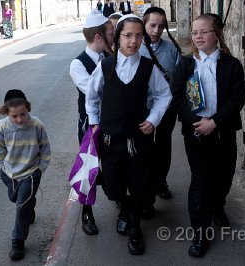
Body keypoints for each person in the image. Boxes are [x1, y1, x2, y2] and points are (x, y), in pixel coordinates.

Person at [82, 14, 171, 255]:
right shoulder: (106, 66)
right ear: (118, 37)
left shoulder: (148, 68)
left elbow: (164, 95)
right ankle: (124, 208)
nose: (133, 41)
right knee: (112, 186)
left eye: (138, 36)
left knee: (139, 184)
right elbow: (92, 97)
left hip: (138, 140)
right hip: (111, 140)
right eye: (127, 35)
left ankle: (134, 227)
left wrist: (153, 119)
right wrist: (95, 123)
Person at [171, 13, 244, 257]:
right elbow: (178, 99)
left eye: (204, 31)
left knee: (224, 176)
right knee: (201, 180)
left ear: (217, 34)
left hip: (222, 131)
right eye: (194, 32)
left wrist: (215, 122)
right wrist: (197, 122)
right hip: (196, 133)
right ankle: (199, 233)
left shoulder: (232, 65)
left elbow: (236, 99)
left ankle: (218, 205)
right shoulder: (186, 64)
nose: (198, 36)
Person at [0, 89, 51, 260]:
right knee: (18, 199)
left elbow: (45, 148)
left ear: (28, 109)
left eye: (23, 114)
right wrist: (1, 166)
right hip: (9, 173)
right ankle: (29, 206)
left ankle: (18, 241)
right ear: (7, 112)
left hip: (31, 172)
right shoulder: (2, 126)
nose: (19, 119)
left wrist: (40, 168)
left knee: (21, 206)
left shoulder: (36, 125)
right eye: (14, 116)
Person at [68, 10, 113, 236]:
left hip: (114, 123)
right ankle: (87, 212)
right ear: (98, 37)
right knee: (89, 170)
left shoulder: (111, 56)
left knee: (115, 163)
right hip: (91, 125)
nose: (114, 38)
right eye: (111, 34)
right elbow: (94, 91)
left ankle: (119, 198)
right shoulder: (78, 64)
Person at [139, 6, 182, 218]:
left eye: (160, 26)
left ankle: (161, 180)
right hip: (143, 110)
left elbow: (177, 78)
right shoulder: (136, 48)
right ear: (144, 25)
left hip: (166, 109)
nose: (156, 30)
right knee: (145, 149)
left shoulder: (171, 50)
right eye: (152, 25)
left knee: (163, 146)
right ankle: (146, 192)